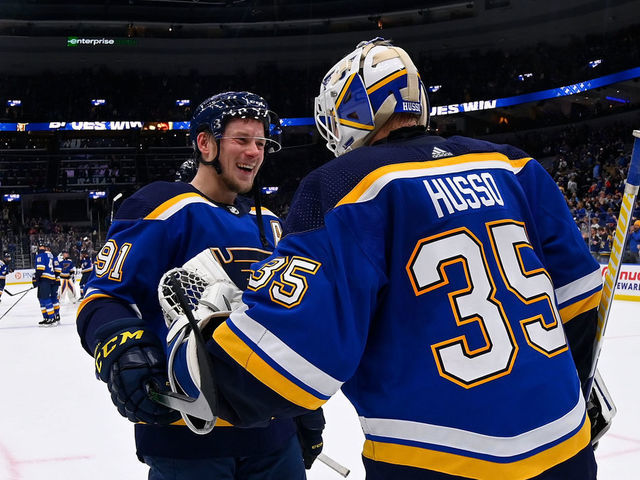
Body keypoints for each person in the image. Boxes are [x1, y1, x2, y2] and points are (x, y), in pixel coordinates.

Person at [166, 39, 603, 480]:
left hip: (434, 458)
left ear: (350, 110)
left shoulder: (342, 187)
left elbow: (284, 361)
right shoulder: (515, 166)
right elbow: (581, 300)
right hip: (566, 447)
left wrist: (202, 348)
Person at [76, 91, 323, 480]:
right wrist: (126, 352)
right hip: (188, 437)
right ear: (205, 143)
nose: (255, 152)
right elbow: (103, 296)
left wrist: (306, 408)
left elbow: (283, 327)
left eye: (260, 143)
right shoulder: (161, 207)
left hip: (274, 437)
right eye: (242, 139)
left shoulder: (273, 225)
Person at [33, 243, 58, 326]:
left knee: (45, 298)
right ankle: (46, 317)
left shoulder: (41, 255)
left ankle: (51, 318)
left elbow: (40, 268)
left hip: (45, 279)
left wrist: (36, 279)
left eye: (41, 246)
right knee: (41, 298)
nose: (40, 248)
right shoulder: (50, 256)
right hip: (49, 279)